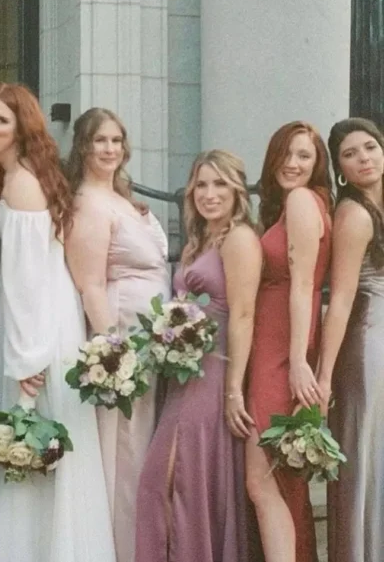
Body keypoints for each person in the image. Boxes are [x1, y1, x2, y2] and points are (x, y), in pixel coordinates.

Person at [0, 84, 116, 562]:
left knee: (34, 452)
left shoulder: (21, 182)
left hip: (35, 330)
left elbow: (26, 281)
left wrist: (26, 366)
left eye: (0, 120)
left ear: (21, 127)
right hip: (45, 321)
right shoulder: (26, 173)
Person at [135, 150, 262, 562]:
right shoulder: (198, 241)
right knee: (164, 483)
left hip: (215, 376)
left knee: (177, 479)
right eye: (202, 184)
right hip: (183, 376)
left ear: (237, 189)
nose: (209, 194)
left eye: (220, 184)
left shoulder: (240, 238)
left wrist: (233, 390)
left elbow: (243, 315)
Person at [64, 107, 170, 562]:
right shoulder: (87, 202)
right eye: (99, 141)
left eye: (116, 141)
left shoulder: (123, 198)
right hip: (123, 337)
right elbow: (90, 284)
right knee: (123, 450)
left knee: (141, 448)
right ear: (83, 147)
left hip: (152, 341)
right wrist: (114, 355)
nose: (109, 149)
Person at [246, 121, 332, 562]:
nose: (293, 163)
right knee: (279, 481)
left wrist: (298, 361)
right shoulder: (286, 207)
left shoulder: (301, 201)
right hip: (273, 347)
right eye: (287, 153)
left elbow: (304, 286)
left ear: (318, 166)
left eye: (305, 156)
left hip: (282, 351)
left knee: (262, 479)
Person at [317, 118, 384, 562]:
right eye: (350, 153)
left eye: (371, 147)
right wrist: (323, 378)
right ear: (339, 169)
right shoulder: (354, 213)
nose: (364, 158)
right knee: (367, 458)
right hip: (369, 346)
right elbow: (338, 300)